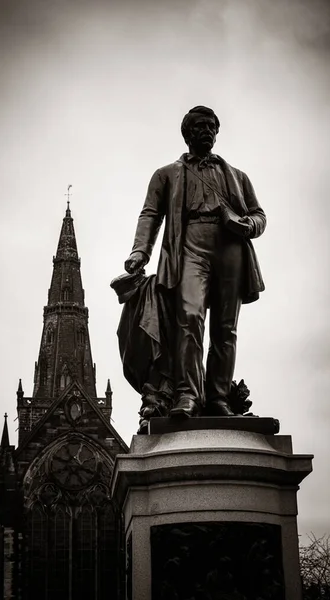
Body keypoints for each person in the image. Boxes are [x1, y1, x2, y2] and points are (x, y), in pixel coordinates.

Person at [124, 105, 266, 419]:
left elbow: (259, 216)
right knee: (189, 318)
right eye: (200, 126)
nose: (207, 131)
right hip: (189, 245)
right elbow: (150, 214)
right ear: (188, 133)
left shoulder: (237, 177)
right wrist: (139, 252)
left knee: (225, 330)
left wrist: (246, 226)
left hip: (230, 248)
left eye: (212, 127)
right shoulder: (167, 174)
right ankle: (187, 394)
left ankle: (218, 398)